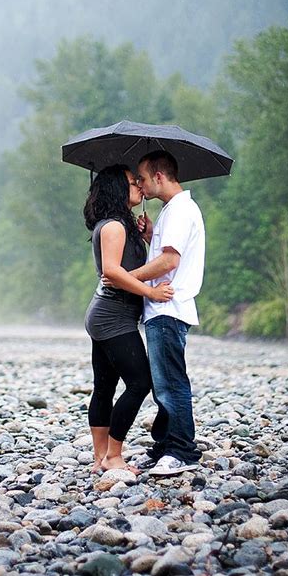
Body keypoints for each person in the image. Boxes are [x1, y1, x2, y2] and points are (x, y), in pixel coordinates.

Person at [104, 151, 205, 476]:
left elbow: (169, 262)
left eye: (144, 179)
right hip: (162, 307)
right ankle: (164, 445)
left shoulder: (178, 211)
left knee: (171, 382)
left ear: (159, 176)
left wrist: (127, 278)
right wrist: (150, 237)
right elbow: (167, 254)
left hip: (168, 307)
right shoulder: (172, 212)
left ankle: (181, 450)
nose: (142, 187)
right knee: (164, 381)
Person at [83, 164, 174, 474]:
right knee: (139, 383)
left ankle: (100, 459)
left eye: (138, 180)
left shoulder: (121, 225)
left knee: (105, 386)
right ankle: (113, 456)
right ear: (116, 189)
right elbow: (112, 271)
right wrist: (150, 294)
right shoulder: (113, 227)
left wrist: (148, 236)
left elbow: (131, 265)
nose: (138, 185)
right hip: (113, 317)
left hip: (109, 315)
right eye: (132, 182)